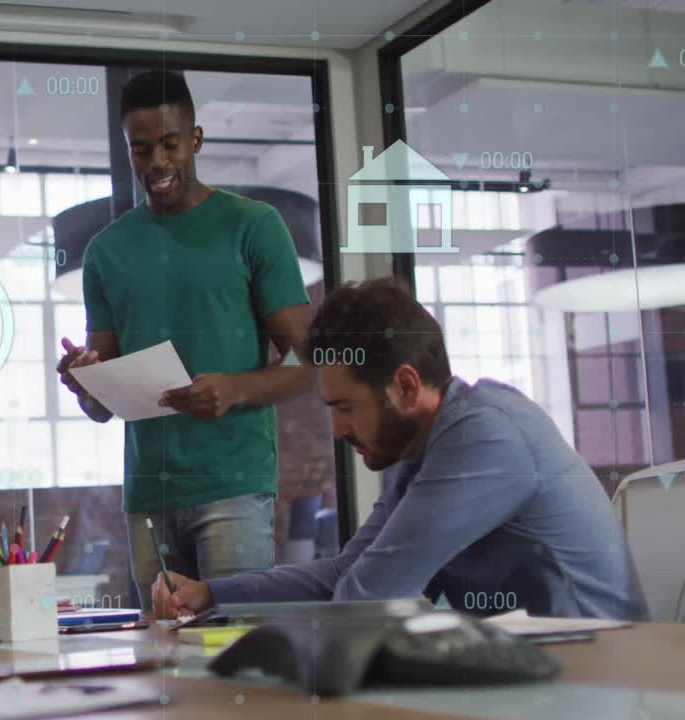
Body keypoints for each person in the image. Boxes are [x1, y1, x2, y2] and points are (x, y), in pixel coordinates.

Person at [151, 278, 649, 621]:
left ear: (406, 387)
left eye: (345, 406)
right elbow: (350, 575)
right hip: (530, 676)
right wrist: (213, 594)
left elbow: (364, 599)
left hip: (600, 680)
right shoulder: (421, 448)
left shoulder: (486, 436)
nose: (338, 429)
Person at [56, 69, 315, 611]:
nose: (157, 163)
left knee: (232, 648)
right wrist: (85, 380)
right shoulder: (106, 252)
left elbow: (308, 361)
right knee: (162, 666)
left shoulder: (253, 226)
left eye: (170, 144)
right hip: (149, 494)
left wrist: (236, 390)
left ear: (195, 139)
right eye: (141, 149)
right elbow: (102, 405)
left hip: (233, 484)